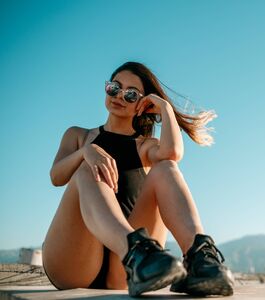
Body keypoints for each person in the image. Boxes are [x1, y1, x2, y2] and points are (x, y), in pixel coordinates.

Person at [42, 61, 235, 297]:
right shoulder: (78, 136)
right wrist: (86, 152)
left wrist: (165, 108)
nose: (119, 96)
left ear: (143, 105)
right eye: (115, 87)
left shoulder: (146, 146)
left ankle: (201, 260)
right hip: (72, 264)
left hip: (127, 270)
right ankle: (138, 252)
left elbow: (173, 153)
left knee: (167, 168)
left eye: (131, 94)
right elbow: (56, 177)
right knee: (87, 169)